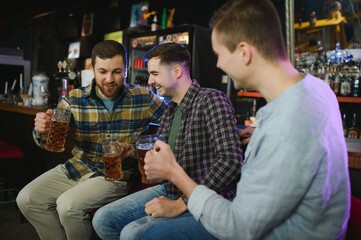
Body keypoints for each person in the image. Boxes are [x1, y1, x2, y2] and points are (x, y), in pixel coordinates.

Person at [143, 0, 351, 239]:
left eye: (220, 54)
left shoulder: (285, 129)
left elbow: (237, 228)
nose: (219, 64)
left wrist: (173, 172)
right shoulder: (315, 87)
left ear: (244, 52)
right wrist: (262, 137)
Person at [16, 40, 166, 240]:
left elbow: (173, 127)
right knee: (27, 199)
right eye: (102, 71)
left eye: (117, 71)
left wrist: (133, 148)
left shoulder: (144, 97)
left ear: (127, 70)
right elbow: (49, 142)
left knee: (68, 206)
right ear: (92, 69)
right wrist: (42, 132)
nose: (109, 79)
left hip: (115, 174)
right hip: (78, 167)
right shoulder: (73, 98)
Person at [92, 42, 243, 239]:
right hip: (170, 188)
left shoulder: (211, 99)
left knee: (132, 235)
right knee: (103, 220)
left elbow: (231, 162)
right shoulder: (170, 110)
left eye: (155, 74)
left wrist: (180, 204)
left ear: (177, 70)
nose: (150, 81)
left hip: (208, 199)